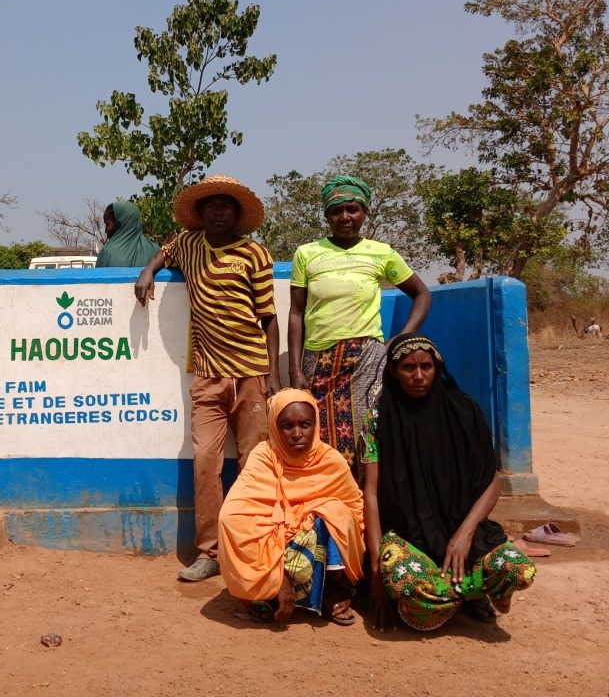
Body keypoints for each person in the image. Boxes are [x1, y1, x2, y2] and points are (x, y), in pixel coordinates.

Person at [135, 175, 281, 582]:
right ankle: (210, 552)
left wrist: (271, 374)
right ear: (199, 213)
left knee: (254, 463)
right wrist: (148, 270)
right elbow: (165, 250)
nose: (218, 212)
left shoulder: (254, 254)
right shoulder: (189, 244)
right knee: (205, 464)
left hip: (251, 373)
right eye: (210, 206)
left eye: (226, 206)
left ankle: (252, 547)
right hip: (207, 375)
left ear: (237, 213)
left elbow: (268, 317)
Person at [362, 334, 536, 631]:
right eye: (408, 367)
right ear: (393, 371)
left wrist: (465, 533)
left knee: (517, 569)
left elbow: (491, 481)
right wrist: (377, 573)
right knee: (404, 582)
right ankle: (462, 594)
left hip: (464, 531)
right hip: (408, 536)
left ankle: (465, 592)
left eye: (426, 366)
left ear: (437, 368)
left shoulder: (463, 411)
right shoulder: (377, 419)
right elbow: (372, 495)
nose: (419, 376)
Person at [287, 175, 430, 474]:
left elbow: (421, 294)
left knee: (366, 428)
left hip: (366, 357)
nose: (345, 217)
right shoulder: (307, 253)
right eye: (336, 211)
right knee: (319, 430)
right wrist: (295, 369)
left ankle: (367, 498)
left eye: (352, 209)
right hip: (319, 358)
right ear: (326, 216)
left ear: (364, 212)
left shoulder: (381, 252)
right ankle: (326, 496)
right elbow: (296, 313)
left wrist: (400, 339)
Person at [219, 389, 365, 625]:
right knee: (236, 522)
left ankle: (332, 592)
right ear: (274, 428)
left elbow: (355, 512)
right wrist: (277, 576)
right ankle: (268, 590)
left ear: (315, 425)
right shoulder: (264, 457)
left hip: (317, 546)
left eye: (305, 425)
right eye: (287, 426)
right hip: (276, 552)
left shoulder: (331, 461)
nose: (297, 434)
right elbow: (233, 515)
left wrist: (347, 584)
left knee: (337, 512)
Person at [95, 199, 160, 268]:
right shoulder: (156, 251)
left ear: (119, 224)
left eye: (107, 224)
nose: (105, 230)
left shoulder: (107, 253)